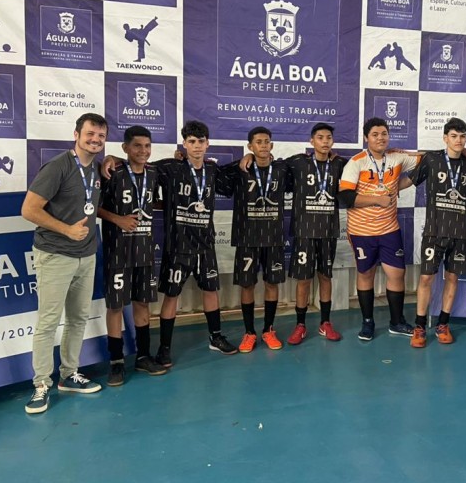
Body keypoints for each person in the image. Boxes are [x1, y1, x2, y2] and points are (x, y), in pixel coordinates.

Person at [21, 113, 108, 414]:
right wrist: (66, 230)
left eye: (100, 136)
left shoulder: (96, 168)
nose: (95, 139)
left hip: (87, 255)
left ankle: (69, 374)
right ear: (76, 134)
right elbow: (29, 209)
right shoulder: (58, 166)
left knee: (78, 318)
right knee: (48, 322)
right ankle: (41, 384)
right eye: (90, 134)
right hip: (55, 254)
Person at [148, 121, 238, 366]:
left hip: (205, 245)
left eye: (201, 141)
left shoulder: (212, 170)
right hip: (178, 245)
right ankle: (164, 347)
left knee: (211, 291)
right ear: (184, 144)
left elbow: (234, 179)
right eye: (191, 141)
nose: (197, 146)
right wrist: (113, 158)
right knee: (171, 295)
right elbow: (140, 167)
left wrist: (249, 156)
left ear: (207, 143)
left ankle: (215, 337)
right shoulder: (170, 167)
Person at [97, 126, 166, 386]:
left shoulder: (154, 173)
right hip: (118, 251)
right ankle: (116, 361)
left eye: (147, 146)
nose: (143, 151)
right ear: (125, 148)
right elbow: (94, 207)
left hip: (145, 251)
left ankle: (143, 356)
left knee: (143, 303)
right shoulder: (112, 172)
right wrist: (118, 219)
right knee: (115, 306)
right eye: (137, 146)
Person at [338, 118, 419, 341]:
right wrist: (377, 200)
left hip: (389, 229)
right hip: (362, 231)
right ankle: (368, 323)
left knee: (397, 274)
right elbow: (345, 197)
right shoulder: (356, 162)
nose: (380, 138)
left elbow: (427, 160)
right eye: (375, 134)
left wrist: (464, 150)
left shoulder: (397, 157)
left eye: (384, 133)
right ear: (366, 138)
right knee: (366, 274)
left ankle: (397, 322)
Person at [407, 118, 466, 347]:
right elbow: (411, 180)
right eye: (454, 136)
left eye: (462, 136)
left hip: (460, 233)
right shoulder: (432, 159)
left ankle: (443, 324)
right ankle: (419, 326)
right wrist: (385, 192)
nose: (458, 140)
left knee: (452, 278)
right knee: (426, 277)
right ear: (445, 138)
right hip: (434, 231)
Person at [223, 127, 292, 353]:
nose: (263, 145)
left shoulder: (282, 169)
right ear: (250, 146)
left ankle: (268, 330)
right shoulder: (241, 168)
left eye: (266, 141)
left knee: (272, 283)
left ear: (271, 145)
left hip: (273, 238)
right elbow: (213, 172)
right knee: (247, 285)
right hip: (247, 238)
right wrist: (245, 158)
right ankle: (249, 332)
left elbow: (307, 165)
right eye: (258, 142)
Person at [283, 123, 347, 345]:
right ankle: (300, 325)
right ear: (312, 141)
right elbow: (270, 165)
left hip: (328, 231)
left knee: (325, 277)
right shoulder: (298, 162)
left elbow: (361, 172)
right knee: (304, 280)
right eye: (320, 137)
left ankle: (325, 322)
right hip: (304, 231)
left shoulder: (340, 164)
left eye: (329, 137)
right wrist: (249, 157)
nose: (325, 141)